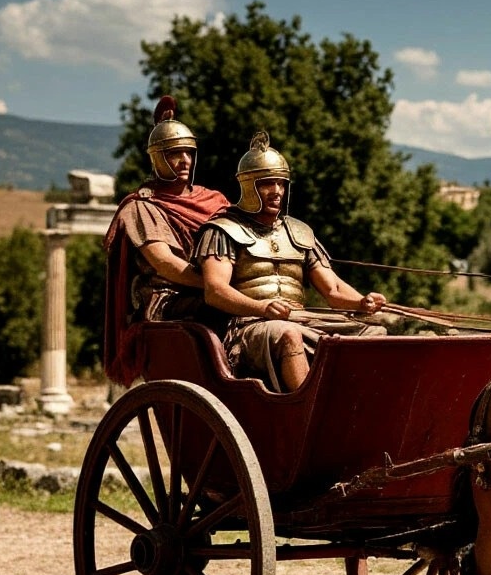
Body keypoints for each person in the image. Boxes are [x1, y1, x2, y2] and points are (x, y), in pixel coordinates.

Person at [191, 131, 387, 392]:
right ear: (249, 185)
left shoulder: (300, 232)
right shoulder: (222, 230)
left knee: (375, 335)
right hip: (250, 327)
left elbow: (334, 290)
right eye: (267, 183)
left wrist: (362, 302)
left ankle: (352, 405)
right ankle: (306, 413)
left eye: (281, 184)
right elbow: (215, 291)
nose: (277, 192)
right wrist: (261, 307)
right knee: (288, 334)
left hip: (302, 319)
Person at [103, 95, 230, 386]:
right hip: (168, 301)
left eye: (188, 152)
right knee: (221, 305)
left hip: (217, 288)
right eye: (174, 153)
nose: (184, 160)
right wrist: (218, 286)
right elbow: (166, 263)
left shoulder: (215, 201)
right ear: (158, 157)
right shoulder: (141, 207)